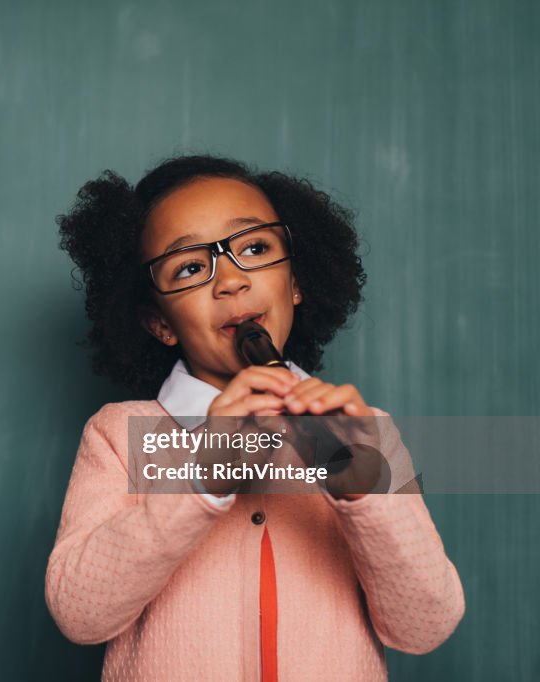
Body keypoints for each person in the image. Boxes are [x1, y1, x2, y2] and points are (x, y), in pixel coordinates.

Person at [44, 155, 464, 681]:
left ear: (296, 283)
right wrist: (203, 474)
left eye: (255, 248)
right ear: (159, 323)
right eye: (191, 267)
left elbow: (424, 628)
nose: (231, 281)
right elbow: (80, 615)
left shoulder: (364, 431)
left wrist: (364, 486)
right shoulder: (117, 433)